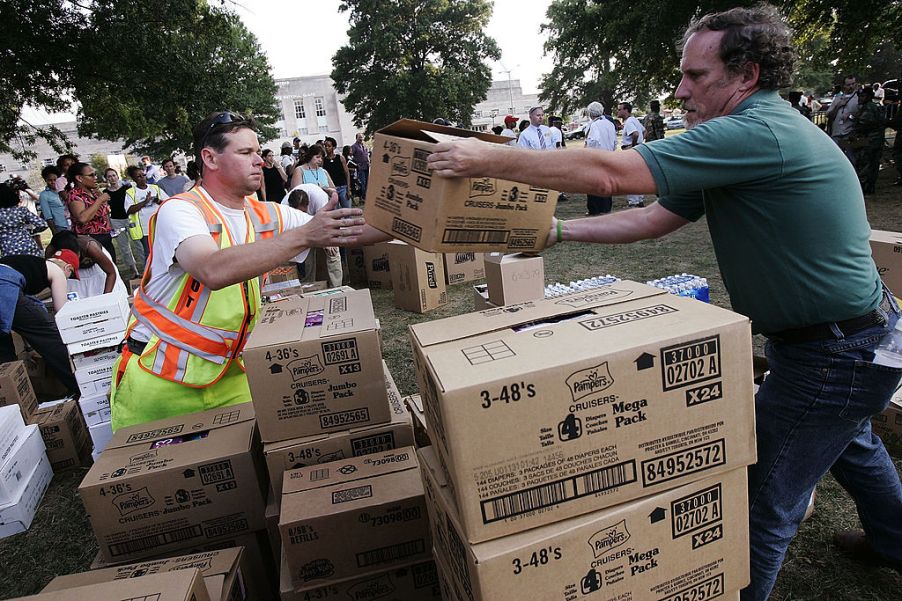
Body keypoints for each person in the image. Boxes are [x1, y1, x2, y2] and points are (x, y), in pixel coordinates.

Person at [426, 6, 902, 600]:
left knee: (762, 501)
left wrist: (486, 157)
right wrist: (558, 234)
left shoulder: (757, 131)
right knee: (850, 440)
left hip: (835, 351)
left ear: (746, 75)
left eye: (695, 75)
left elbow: (608, 174)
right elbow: (657, 217)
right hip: (848, 340)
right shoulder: (739, 137)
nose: (681, 90)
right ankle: (893, 541)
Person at [109, 111, 370, 431]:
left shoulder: (266, 214)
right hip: (159, 382)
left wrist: (431, 210)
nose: (259, 160)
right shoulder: (180, 211)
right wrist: (304, 235)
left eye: (258, 152)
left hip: (231, 375)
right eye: (246, 152)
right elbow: (211, 269)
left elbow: (358, 231)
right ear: (210, 158)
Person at [0, 251, 79, 395]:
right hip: (4, 285)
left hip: (5, 283)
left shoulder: (29, 263)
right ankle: (80, 385)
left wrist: (28, 348)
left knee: (4, 352)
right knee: (52, 338)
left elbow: (22, 318)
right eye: (71, 276)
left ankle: (12, 399)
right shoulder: (58, 272)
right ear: (68, 268)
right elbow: (62, 314)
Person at [283, 183, 342, 287]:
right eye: (297, 212)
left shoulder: (319, 198)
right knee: (306, 257)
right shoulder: (284, 207)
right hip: (303, 228)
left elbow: (326, 223)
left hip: (323, 220)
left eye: (302, 211)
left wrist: (328, 243)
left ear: (308, 205)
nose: (300, 214)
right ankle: (308, 286)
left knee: (333, 251)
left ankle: (337, 286)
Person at [46, 229, 126, 297]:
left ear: (78, 252)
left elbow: (111, 273)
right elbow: (51, 279)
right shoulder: (51, 253)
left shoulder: (91, 247)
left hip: (98, 269)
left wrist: (105, 298)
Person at [65, 161, 116, 262]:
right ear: (79, 178)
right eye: (91, 175)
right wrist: (100, 200)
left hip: (105, 236)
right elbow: (82, 218)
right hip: (90, 240)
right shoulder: (75, 195)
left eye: (95, 174)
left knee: (112, 268)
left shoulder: (94, 192)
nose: (95, 178)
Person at [123, 165, 168, 260]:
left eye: (143, 175)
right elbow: (129, 210)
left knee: (165, 250)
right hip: (145, 229)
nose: (142, 178)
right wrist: (145, 202)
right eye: (138, 176)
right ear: (133, 179)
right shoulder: (131, 192)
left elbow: (167, 202)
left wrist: (157, 200)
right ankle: (150, 273)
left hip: (160, 225)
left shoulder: (155, 188)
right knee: (150, 254)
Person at [849, 86, 885, 195]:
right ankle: (869, 186)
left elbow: (864, 124)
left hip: (870, 140)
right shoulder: (872, 106)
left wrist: (854, 123)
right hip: (875, 139)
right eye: (859, 96)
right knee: (872, 164)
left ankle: (865, 186)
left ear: (869, 96)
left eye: (863, 96)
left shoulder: (869, 107)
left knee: (866, 163)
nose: (860, 98)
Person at [584, 101, 616, 215]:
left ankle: (595, 208)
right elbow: (614, 141)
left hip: (597, 158)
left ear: (591, 114)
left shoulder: (594, 125)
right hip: (609, 155)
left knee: (593, 185)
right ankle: (606, 208)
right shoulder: (610, 124)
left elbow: (592, 141)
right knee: (607, 183)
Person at [0, 182, 47, 257]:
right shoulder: (21, 211)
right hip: (28, 247)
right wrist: (29, 228)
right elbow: (43, 224)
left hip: (9, 251)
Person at [616, 102, 646, 207]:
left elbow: (636, 134)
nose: (618, 111)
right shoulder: (634, 120)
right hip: (639, 149)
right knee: (638, 175)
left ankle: (633, 201)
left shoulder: (629, 122)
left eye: (620, 109)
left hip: (631, 150)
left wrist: (633, 146)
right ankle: (640, 198)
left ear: (626, 110)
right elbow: (644, 131)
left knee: (630, 176)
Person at [826, 74, 860, 160]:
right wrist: (838, 106)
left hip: (850, 134)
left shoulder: (859, 98)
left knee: (850, 157)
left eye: (853, 84)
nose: (851, 86)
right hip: (836, 133)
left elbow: (862, 118)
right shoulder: (838, 98)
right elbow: (829, 115)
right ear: (844, 86)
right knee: (836, 158)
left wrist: (850, 116)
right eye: (848, 85)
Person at [322, 137, 352, 209]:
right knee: (335, 212)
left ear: (334, 147)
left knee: (347, 210)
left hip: (342, 187)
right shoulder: (323, 161)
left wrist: (348, 188)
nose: (327, 148)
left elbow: (347, 173)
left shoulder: (340, 158)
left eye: (329, 146)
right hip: (332, 189)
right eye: (325, 146)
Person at [38, 166, 68, 233]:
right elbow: (48, 216)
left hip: (73, 223)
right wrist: (54, 232)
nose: (53, 182)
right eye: (49, 180)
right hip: (60, 226)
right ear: (45, 180)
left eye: (55, 180)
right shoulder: (44, 195)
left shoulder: (65, 191)